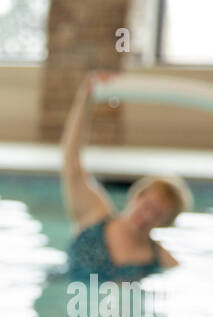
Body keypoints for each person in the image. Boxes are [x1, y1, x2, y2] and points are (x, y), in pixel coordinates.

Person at [61, 72, 191, 282]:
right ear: (137, 195)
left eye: (158, 214)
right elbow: (71, 160)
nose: (147, 216)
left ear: (165, 223)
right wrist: (85, 98)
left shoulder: (160, 259)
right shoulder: (93, 214)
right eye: (147, 205)